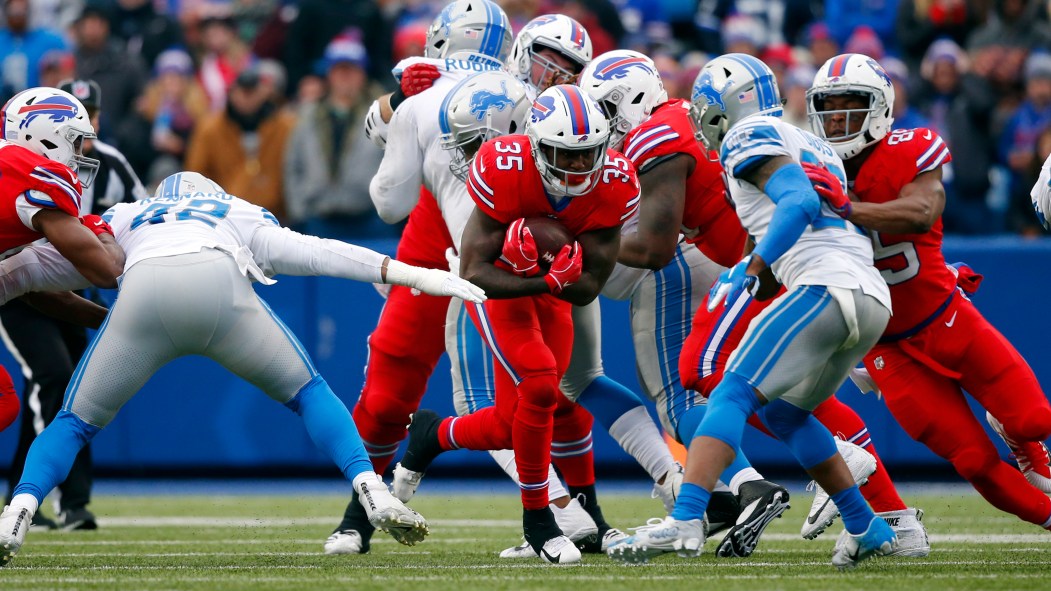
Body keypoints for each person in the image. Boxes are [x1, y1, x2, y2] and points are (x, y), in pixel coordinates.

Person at [0, 171, 490, 567]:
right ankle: (371, 489)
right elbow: (319, 252)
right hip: (218, 287)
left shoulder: (127, 214)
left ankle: (18, 510)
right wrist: (412, 273)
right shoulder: (234, 209)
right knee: (310, 394)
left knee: (73, 423)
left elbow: (35, 268)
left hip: (143, 292)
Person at [610, 54, 896, 569]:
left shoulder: (746, 135)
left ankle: (687, 515)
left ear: (721, 108)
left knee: (730, 392)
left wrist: (753, 264)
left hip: (824, 284)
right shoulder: (807, 140)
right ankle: (865, 524)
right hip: (868, 295)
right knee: (786, 413)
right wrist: (758, 271)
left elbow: (799, 203)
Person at [808, 53, 1051, 534]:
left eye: (850, 104)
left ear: (879, 108)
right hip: (883, 346)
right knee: (972, 460)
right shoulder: (806, 167)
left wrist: (848, 209)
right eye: (828, 107)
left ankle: (1016, 435)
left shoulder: (911, 148)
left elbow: (922, 211)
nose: (837, 118)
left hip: (944, 315)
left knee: (1034, 420)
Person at [397, 84, 639, 565]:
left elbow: (589, 285)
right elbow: (473, 272)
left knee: (516, 424)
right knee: (541, 385)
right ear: (536, 146)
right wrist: (544, 278)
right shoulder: (504, 168)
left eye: (588, 153)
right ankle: (539, 522)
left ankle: (434, 435)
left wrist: (554, 276)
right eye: (565, 154)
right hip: (500, 288)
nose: (579, 166)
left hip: (555, 290)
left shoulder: (615, 181)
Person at [578, 49, 789, 557]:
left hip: (693, 263)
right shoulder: (680, 118)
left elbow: (653, 247)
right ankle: (722, 501)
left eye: (606, 107)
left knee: (680, 400)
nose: (602, 122)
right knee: (741, 388)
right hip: (736, 261)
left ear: (631, 98)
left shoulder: (656, 134)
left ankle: (747, 486)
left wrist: (576, 242)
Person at [325, 0, 516, 556]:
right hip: (434, 232)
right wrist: (399, 100)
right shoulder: (424, 88)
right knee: (388, 394)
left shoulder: (525, 89)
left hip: (507, 238)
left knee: (545, 383)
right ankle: (360, 515)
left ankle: (575, 512)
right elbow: (377, 129)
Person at [680, 289, 930, 555]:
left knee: (703, 368)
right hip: (843, 284)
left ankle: (686, 514)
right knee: (798, 396)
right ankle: (891, 517)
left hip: (810, 275)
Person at [1, 78, 147, 531]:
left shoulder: (12, 168)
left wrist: (111, 320)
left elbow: (33, 286)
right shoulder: (31, 174)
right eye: (75, 140)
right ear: (42, 135)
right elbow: (106, 269)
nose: (82, 153)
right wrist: (98, 226)